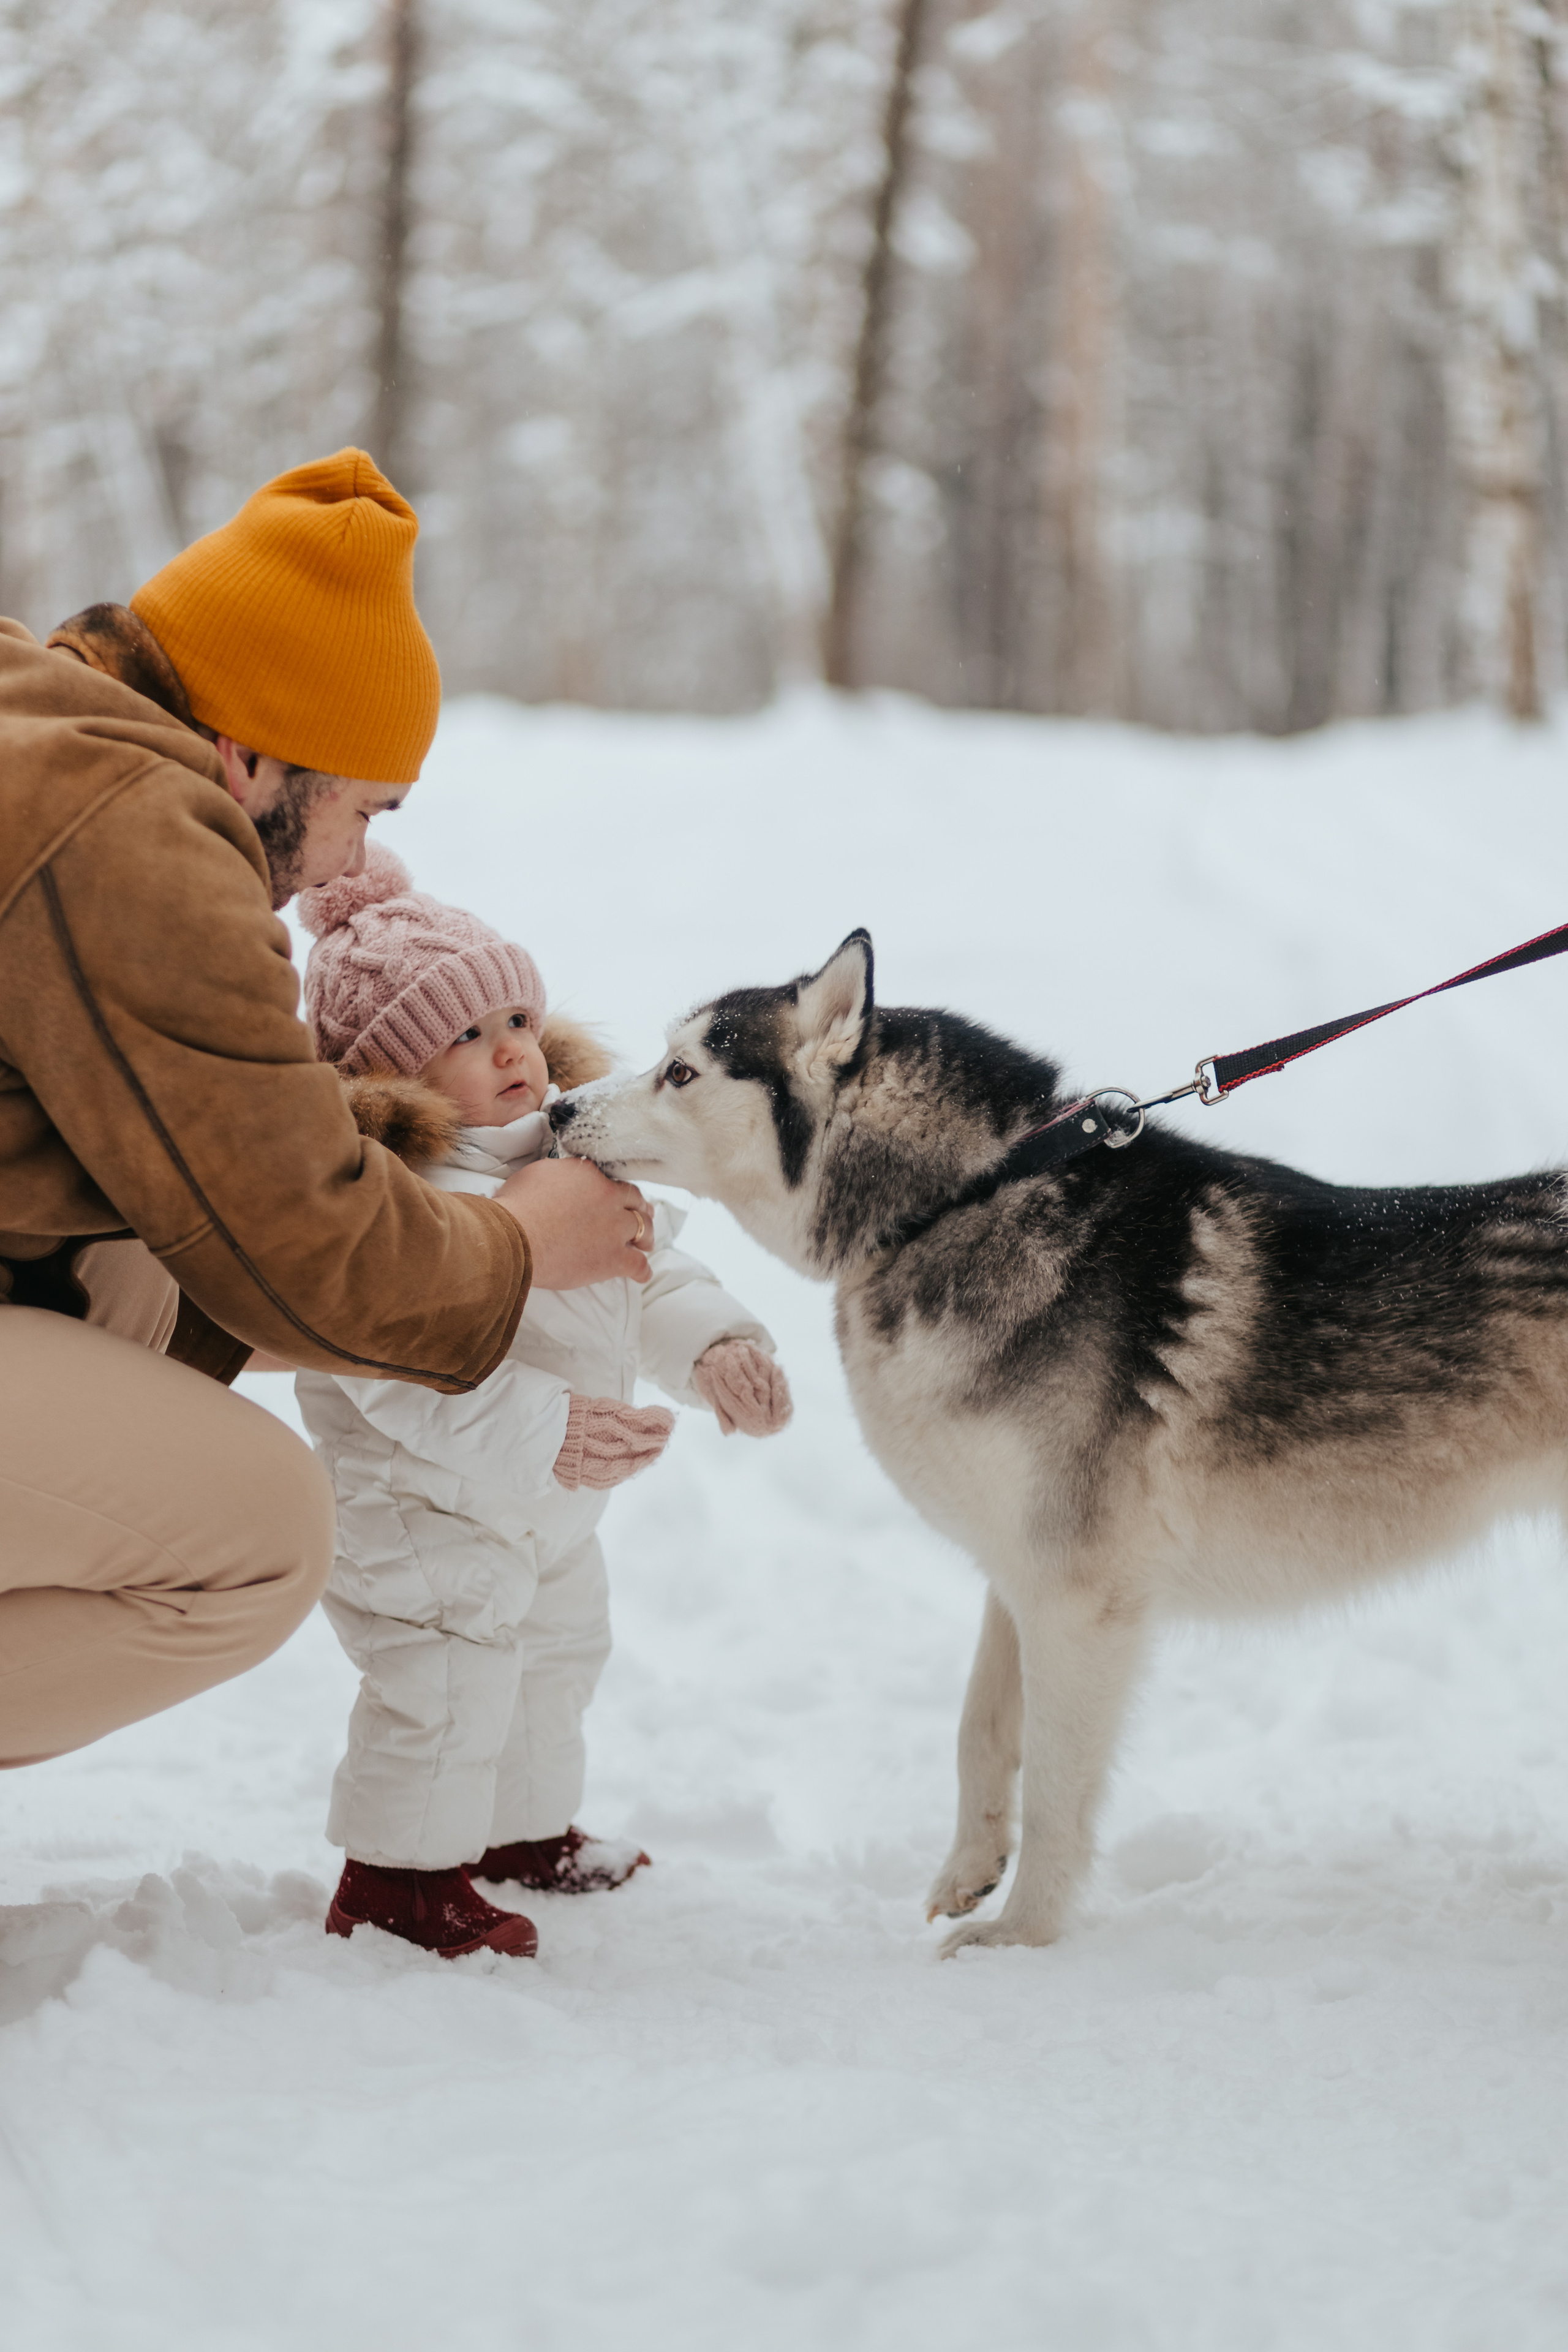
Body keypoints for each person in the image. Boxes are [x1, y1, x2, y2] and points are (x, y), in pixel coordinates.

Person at [0, 450, 651, 1788]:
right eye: (362, 808)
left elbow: (221, 1205)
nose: (355, 863)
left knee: (133, 1280)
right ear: (251, 756)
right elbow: (299, 1245)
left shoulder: (44, 720)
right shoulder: (135, 829)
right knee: (258, 1528)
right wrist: (521, 1243)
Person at [292, 850, 793, 1958]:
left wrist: (716, 1347)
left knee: (557, 1654)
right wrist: (551, 1430)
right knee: (449, 1676)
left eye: (515, 1015)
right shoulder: (390, 1204)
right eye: (465, 1035)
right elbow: (402, 1369)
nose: (511, 1046)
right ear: (399, 1078)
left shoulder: (575, 1151)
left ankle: (518, 1832)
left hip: (545, 1500)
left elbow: (646, 1265)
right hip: (421, 1508)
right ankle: (397, 1881)